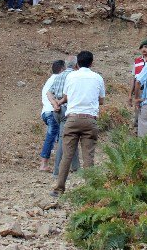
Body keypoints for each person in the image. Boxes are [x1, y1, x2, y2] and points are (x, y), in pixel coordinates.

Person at [51, 51, 105, 196]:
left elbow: (66, 96)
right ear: (92, 63)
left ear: (77, 64)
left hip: (72, 119)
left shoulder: (71, 76)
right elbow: (101, 100)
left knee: (67, 155)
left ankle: (59, 189)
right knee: (88, 156)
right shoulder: (98, 77)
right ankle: (90, 190)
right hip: (90, 120)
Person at [47, 56, 81, 177]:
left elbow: (49, 92)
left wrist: (55, 103)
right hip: (67, 110)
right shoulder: (75, 76)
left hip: (58, 111)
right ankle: (57, 171)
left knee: (72, 136)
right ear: (77, 65)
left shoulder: (59, 76)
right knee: (63, 139)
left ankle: (76, 168)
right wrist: (61, 102)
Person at [39, 60, 65, 171]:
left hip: (45, 112)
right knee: (52, 136)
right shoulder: (58, 80)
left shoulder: (49, 80)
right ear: (62, 69)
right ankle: (44, 164)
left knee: (57, 136)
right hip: (53, 112)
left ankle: (60, 163)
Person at [128, 39, 147, 129]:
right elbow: (134, 78)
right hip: (139, 90)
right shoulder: (137, 61)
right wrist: (130, 94)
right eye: (143, 47)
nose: (145, 49)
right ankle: (138, 130)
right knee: (138, 110)